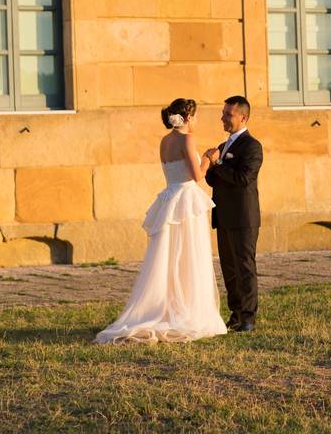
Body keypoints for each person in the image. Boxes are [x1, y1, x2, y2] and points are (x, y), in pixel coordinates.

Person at [95, 98, 227, 344]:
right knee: (189, 255)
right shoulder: (187, 139)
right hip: (186, 201)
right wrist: (209, 157)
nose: (197, 121)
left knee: (168, 256)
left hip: (169, 198)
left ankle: (168, 306)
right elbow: (197, 175)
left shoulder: (165, 141)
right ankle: (187, 308)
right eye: (195, 116)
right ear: (187, 118)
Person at [205, 95, 264, 333]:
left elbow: (242, 178)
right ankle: (236, 313)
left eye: (228, 114)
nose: (223, 118)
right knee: (229, 269)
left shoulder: (252, 146)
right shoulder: (223, 146)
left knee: (244, 267)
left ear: (243, 117)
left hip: (243, 217)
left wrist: (218, 166)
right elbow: (212, 180)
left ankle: (248, 317)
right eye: (223, 113)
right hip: (224, 216)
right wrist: (211, 163)